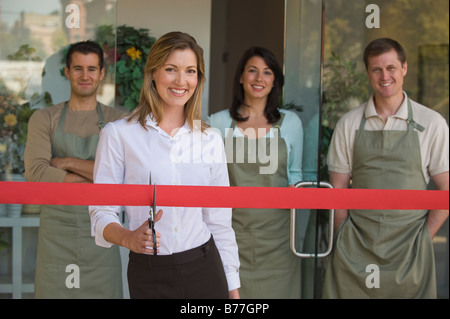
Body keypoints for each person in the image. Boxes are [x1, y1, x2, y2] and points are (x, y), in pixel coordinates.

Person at [89, 31, 240, 299]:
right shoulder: (118, 134)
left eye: (190, 71)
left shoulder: (210, 139)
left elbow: (219, 222)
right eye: (171, 69)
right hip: (149, 272)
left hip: (206, 268)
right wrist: (126, 237)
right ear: (153, 74)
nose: (182, 81)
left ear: (198, 78)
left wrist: (233, 288)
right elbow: (101, 211)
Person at [322, 38, 449, 298]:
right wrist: (344, 237)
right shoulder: (349, 123)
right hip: (356, 247)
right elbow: (338, 189)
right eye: (376, 69)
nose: (384, 76)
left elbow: (446, 189)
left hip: (410, 250)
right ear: (368, 73)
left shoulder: (432, 122)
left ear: (404, 68)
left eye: (391, 68)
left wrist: (423, 238)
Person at [24, 40, 126, 298]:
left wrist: (66, 163)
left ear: (102, 73)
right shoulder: (44, 118)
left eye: (92, 69)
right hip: (56, 232)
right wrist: (97, 180)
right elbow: (36, 174)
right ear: (67, 72)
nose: (85, 76)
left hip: (103, 230)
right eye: (78, 68)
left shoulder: (119, 121)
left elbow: (123, 177)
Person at [208, 46, 303, 298]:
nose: (259, 79)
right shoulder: (216, 123)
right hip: (230, 238)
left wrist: (296, 189)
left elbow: (298, 176)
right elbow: (206, 181)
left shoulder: (291, 123)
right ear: (241, 77)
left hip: (280, 242)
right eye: (252, 71)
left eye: (267, 72)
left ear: (275, 81)